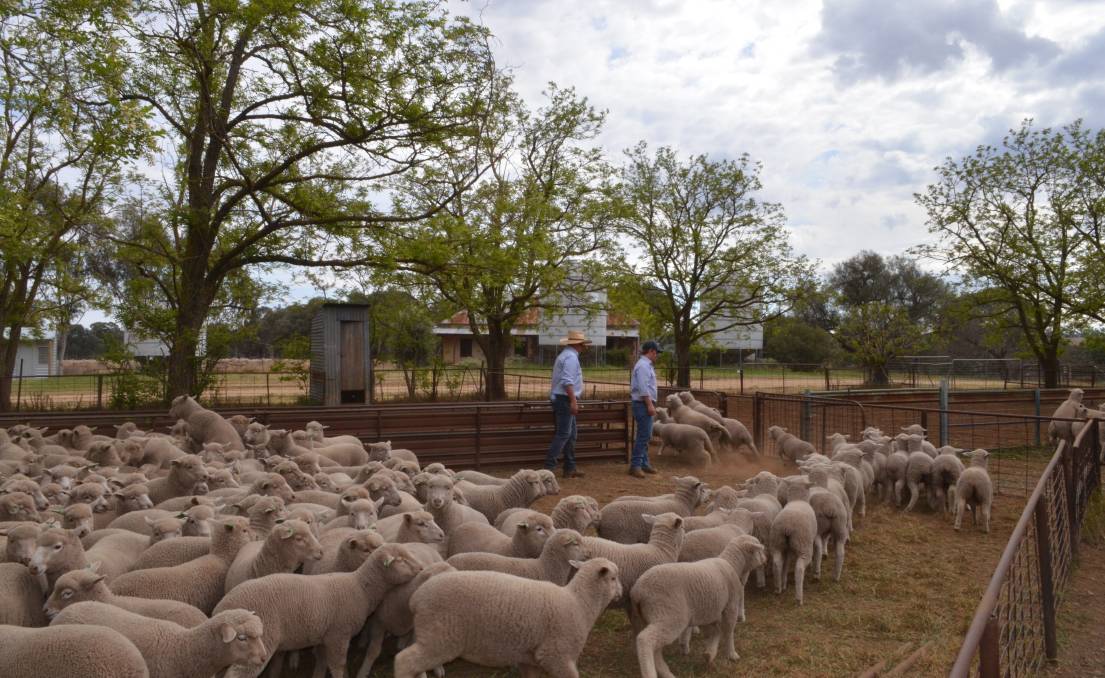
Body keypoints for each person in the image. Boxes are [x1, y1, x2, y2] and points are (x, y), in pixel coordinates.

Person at [545, 330, 590, 478]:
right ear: (579, 344)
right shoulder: (571, 358)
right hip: (565, 399)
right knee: (564, 434)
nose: (584, 347)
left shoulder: (565, 355)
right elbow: (567, 382)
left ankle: (569, 467)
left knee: (570, 434)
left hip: (561, 399)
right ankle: (548, 469)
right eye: (583, 344)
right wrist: (573, 401)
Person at [629, 340, 661, 477]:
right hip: (642, 404)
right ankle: (635, 465)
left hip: (643, 403)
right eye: (657, 353)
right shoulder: (643, 366)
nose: (657, 355)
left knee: (645, 435)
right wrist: (649, 404)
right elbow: (643, 388)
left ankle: (644, 463)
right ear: (651, 351)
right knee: (644, 435)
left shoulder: (645, 365)